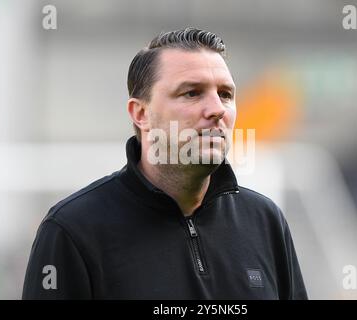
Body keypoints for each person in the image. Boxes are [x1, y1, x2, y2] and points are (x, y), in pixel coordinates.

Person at [22, 28, 308, 299]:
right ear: (141, 113)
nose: (217, 109)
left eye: (225, 94)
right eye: (192, 93)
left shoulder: (265, 221)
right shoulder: (73, 230)